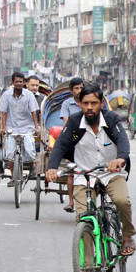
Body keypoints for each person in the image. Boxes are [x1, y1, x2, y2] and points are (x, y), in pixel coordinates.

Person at [46, 82, 136, 256]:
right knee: (84, 217)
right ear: (79, 104)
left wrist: (120, 159)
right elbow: (60, 146)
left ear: (101, 103)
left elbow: (123, 141)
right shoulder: (74, 122)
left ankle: (128, 236)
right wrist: (52, 168)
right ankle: (86, 267)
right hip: (84, 175)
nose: (89, 108)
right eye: (85, 103)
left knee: (122, 201)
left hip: (112, 173)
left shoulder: (111, 119)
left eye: (93, 103)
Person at [0, 72, 42, 180]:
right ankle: (14, 176)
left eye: (21, 82)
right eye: (16, 81)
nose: (19, 84)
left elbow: (33, 111)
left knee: (30, 151)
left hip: (27, 127)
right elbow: (3, 112)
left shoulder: (29, 95)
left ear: (24, 83)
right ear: (13, 82)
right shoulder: (6, 95)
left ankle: (32, 167)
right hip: (11, 127)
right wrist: (3, 127)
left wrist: (36, 126)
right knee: (9, 154)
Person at [59, 77, 84, 212]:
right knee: (71, 173)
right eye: (76, 88)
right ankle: (71, 202)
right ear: (71, 90)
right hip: (73, 139)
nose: (79, 90)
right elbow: (67, 122)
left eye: (81, 87)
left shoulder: (87, 101)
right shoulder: (67, 104)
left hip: (90, 139)